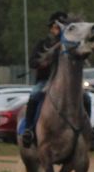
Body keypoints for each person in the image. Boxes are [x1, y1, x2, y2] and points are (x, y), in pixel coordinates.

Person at [18, 11, 70, 148]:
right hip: (45, 81)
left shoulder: (69, 45)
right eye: (56, 27)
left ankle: (88, 131)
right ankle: (28, 129)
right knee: (34, 95)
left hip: (66, 83)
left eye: (62, 27)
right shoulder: (43, 44)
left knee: (86, 98)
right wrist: (43, 62)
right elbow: (32, 62)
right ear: (51, 28)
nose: (59, 30)